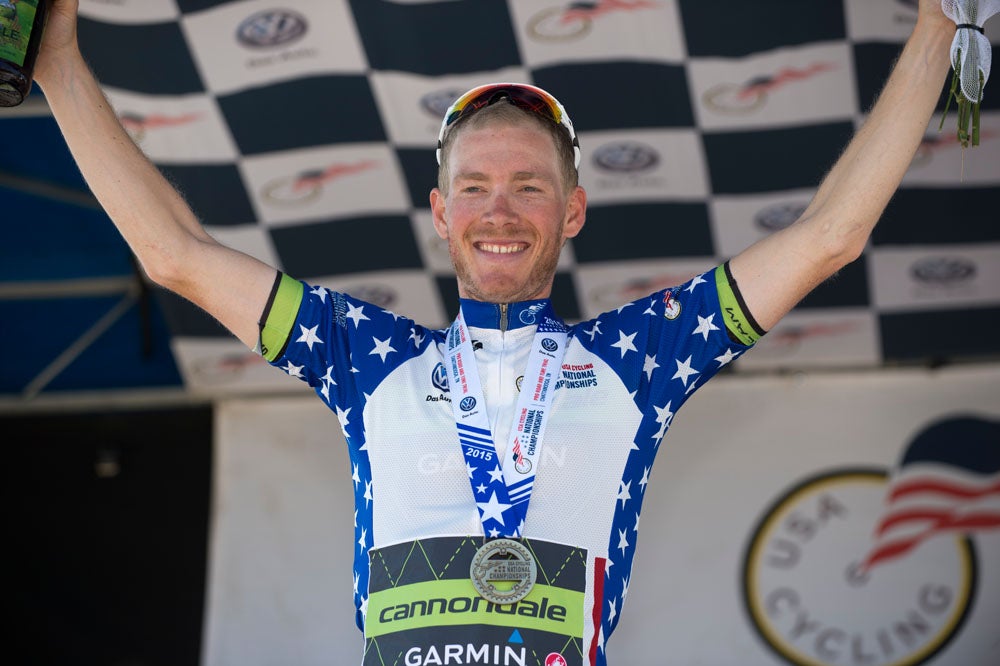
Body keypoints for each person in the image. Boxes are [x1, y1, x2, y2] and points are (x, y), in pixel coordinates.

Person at [34, 1, 956, 663]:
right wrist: (59, 62)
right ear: (440, 212)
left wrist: (935, 28)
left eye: (530, 186)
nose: (500, 210)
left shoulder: (638, 359)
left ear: (574, 212)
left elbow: (831, 236)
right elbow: (175, 255)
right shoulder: (368, 358)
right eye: (473, 186)